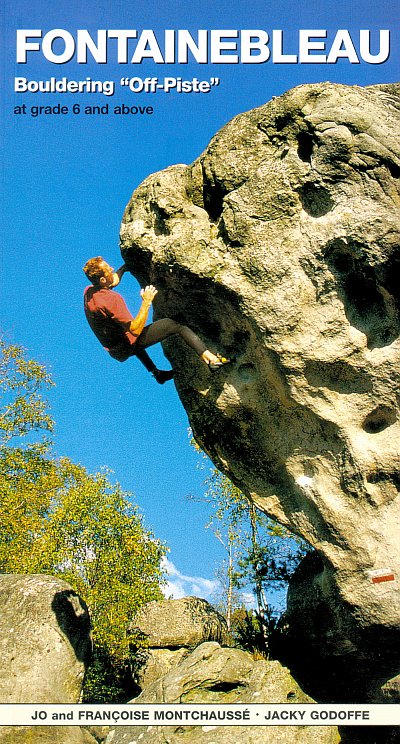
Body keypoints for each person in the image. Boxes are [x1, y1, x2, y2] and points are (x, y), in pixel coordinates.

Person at [83, 257, 232, 384]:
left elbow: (112, 281)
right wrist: (146, 302)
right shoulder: (111, 300)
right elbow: (135, 329)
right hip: (124, 346)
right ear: (102, 279)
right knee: (175, 325)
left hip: (115, 348)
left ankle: (157, 374)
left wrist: (126, 267)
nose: (112, 268)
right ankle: (211, 360)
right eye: (109, 269)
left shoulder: (90, 291)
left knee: (128, 338)